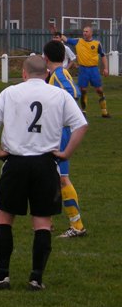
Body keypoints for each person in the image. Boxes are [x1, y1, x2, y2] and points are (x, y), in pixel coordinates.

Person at [0, 55, 87, 291]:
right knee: (42, 223)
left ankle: (2, 277)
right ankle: (36, 279)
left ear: (24, 73)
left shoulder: (10, 92)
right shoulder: (59, 95)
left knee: (4, 219)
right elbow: (81, 124)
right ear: (47, 73)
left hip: (15, 163)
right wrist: (66, 153)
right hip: (45, 164)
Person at [43, 40, 87, 238]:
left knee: (62, 178)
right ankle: (47, 220)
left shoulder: (59, 75)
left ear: (46, 58)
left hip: (60, 133)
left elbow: (73, 92)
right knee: (49, 176)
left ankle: (77, 226)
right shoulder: (57, 74)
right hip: (55, 132)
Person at [63, 26, 110, 117]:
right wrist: (57, 33)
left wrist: (106, 68)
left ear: (91, 33)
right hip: (83, 69)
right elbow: (65, 39)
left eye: (86, 31)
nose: (84, 33)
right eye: (84, 31)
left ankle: (104, 111)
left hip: (93, 69)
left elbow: (103, 56)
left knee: (99, 90)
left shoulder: (97, 43)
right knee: (83, 90)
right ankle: (83, 112)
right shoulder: (78, 41)